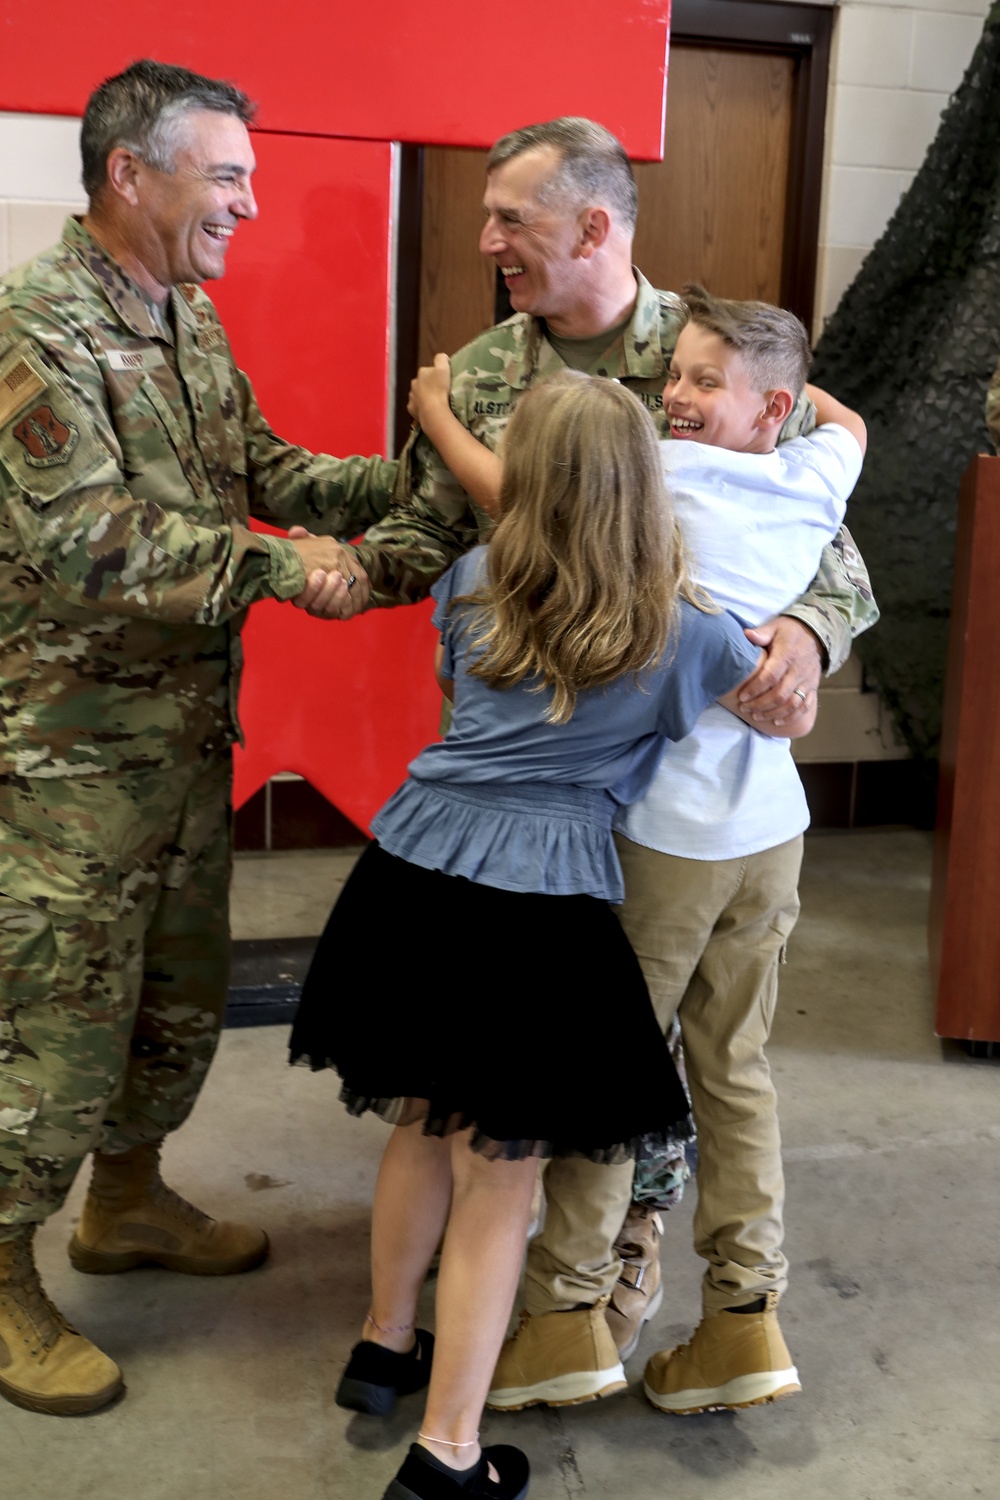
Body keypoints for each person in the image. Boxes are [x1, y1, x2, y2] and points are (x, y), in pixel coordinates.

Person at [294, 116, 879, 1355]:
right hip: (554, 801)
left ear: (593, 225)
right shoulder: (493, 370)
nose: (488, 240)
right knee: (552, 1048)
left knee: (648, 1052)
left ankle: (615, 1258)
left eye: (512, 218)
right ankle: (522, 1286)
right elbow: (436, 529)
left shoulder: (709, 346)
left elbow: (829, 548)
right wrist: (351, 574)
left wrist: (807, 647)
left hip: (691, 790)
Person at [289, 374, 815, 1500]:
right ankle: (449, 1455)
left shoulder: (474, 581)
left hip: (409, 874)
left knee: (419, 1122)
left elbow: (452, 689)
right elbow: (777, 702)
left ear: (522, 476)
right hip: (539, 914)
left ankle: (383, 1348)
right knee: (502, 1179)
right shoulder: (680, 632)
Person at [0, 59, 398, 1416]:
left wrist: (423, 483)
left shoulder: (181, 315)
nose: (251, 199)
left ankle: (127, 1205)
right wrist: (290, 571)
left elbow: (263, 469)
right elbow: (90, 543)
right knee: (53, 1026)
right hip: (65, 768)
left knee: (173, 1003)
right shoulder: (32, 330)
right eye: (226, 173)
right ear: (131, 172)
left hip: (176, 751)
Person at [409, 285, 867, 1416]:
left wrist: (436, 416)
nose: (676, 396)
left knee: (604, 1080)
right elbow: (847, 427)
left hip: (664, 839)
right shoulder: (808, 478)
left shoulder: (665, 478)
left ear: (764, 408)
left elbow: (526, 495)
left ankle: (563, 1318)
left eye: (706, 382)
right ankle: (743, 1321)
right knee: (735, 1072)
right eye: (678, 377)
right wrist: (781, 390)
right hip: (771, 832)